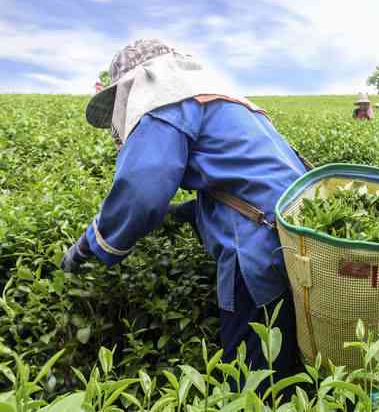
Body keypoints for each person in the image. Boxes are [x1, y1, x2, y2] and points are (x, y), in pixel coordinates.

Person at [60, 39, 304, 389]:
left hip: (254, 246)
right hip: (295, 234)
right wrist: (181, 213)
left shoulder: (164, 101)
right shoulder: (221, 100)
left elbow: (140, 192)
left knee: (253, 376)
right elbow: (243, 180)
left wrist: (88, 245)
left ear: (136, 83)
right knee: (284, 357)